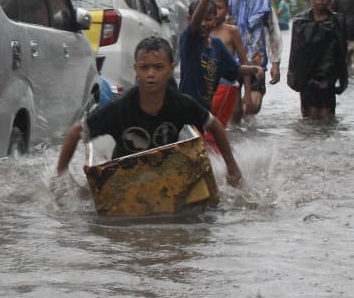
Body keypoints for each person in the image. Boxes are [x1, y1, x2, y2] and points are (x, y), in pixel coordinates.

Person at [56, 36, 242, 186]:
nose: (151, 74)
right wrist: (60, 176)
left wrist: (231, 167)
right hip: (124, 180)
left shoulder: (181, 104)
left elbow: (215, 126)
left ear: (170, 69)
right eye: (144, 68)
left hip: (165, 176)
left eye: (158, 67)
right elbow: (75, 133)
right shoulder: (120, 108)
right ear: (136, 69)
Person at [178, 0, 261, 126]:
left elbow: (234, 70)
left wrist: (254, 69)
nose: (203, 23)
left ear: (215, 21)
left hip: (205, 110)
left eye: (208, 19)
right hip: (186, 109)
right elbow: (195, 24)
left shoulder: (217, 45)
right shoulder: (189, 40)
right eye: (200, 20)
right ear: (190, 20)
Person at [226, 0, 282, 117]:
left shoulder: (263, 2)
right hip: (231, 62)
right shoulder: (226, 0)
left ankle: (250, 131)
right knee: (234, 112)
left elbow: (273, 31)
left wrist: (276, 62)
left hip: (256, 61)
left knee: (254, 106)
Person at [287, 0, 348, 120]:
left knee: (327, 115)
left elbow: (342, 52)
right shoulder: (301, 22)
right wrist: (293, 77)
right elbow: (295, 53)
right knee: (311, 115)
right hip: (307, 76)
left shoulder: (337, 21)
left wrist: (342, 77)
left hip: (329, 74)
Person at [211, 0, 254, 123]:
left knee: (235, 115)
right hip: (209, 82)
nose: (216, 12)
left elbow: (244, 61)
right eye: (212, 8)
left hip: (228, 81)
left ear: (227, 10)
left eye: (219, 8)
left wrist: (247, 93)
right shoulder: (204, 30)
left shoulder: (232, 31)